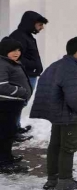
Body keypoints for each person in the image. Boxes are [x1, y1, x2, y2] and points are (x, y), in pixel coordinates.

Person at [30, 37, 77, 190]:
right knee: (67, 147)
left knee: (55, 146)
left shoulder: (57, 65)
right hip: (68, 114)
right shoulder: (72, 69)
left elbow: (45, 86)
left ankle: (53, 179)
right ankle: (65, 181)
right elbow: (74, 97)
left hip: (57, 114)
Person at [8, 11, 48, 139]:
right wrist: (33, 65)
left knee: (21, 103)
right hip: (22, 76)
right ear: (31, 24)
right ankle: (12, 132)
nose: (42, 27)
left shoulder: (27, 36)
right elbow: (15, 57)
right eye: (40, 24)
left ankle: (16, 127)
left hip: (28, 75)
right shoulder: (18, 36)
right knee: (17, 103)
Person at [0, 38, 32, 174]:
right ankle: (4, 163)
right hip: (5, 104)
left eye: (18, 50)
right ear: (5, 50)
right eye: (13, 50)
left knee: (9, 132)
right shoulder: (2, 64)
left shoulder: (11, 62)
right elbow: (1, 86)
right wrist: (21, 92)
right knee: (5, 134)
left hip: (13, 104)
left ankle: (7, 157)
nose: (16, 53)